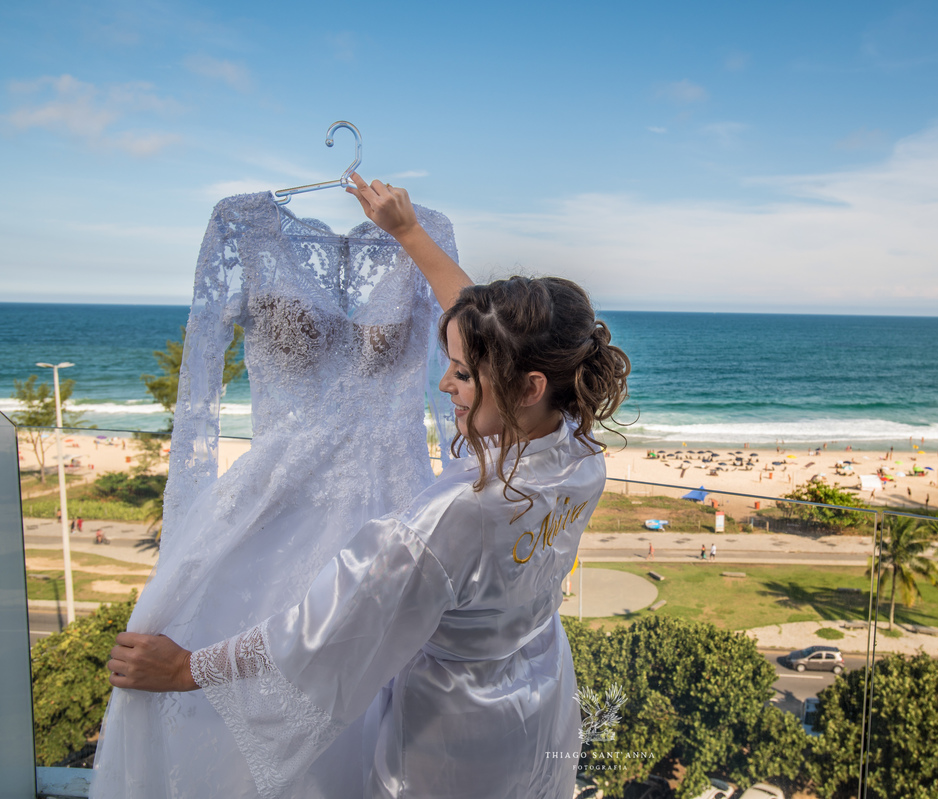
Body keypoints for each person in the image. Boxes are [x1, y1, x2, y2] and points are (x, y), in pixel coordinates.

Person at [106, 175, 631, 799]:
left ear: (528, 386)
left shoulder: (447, 520)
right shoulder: (578, 453)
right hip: (539, 692)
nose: (446, 384)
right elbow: (497, 342)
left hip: (451, 737)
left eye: (462, 374)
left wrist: (187, 669)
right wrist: (409, 233)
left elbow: (323, 636)